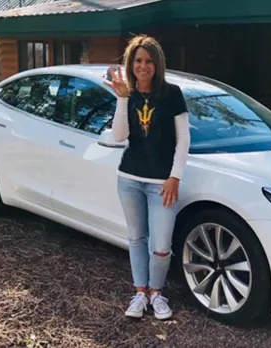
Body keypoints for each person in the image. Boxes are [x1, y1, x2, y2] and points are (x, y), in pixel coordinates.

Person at [103, 34, 191, 320]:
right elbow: (119, 136)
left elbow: (184, 139)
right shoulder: (127, 94)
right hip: (128, 178)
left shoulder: (172, 93)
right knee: (137, 238)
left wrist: (175, 177)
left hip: (162, 184)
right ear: (131, 63)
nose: (143, 66)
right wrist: (121, 99)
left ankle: (157, 292)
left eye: (149, 61)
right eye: (138, 60)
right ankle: (140, 293)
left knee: (162, 245)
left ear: (158, 64)